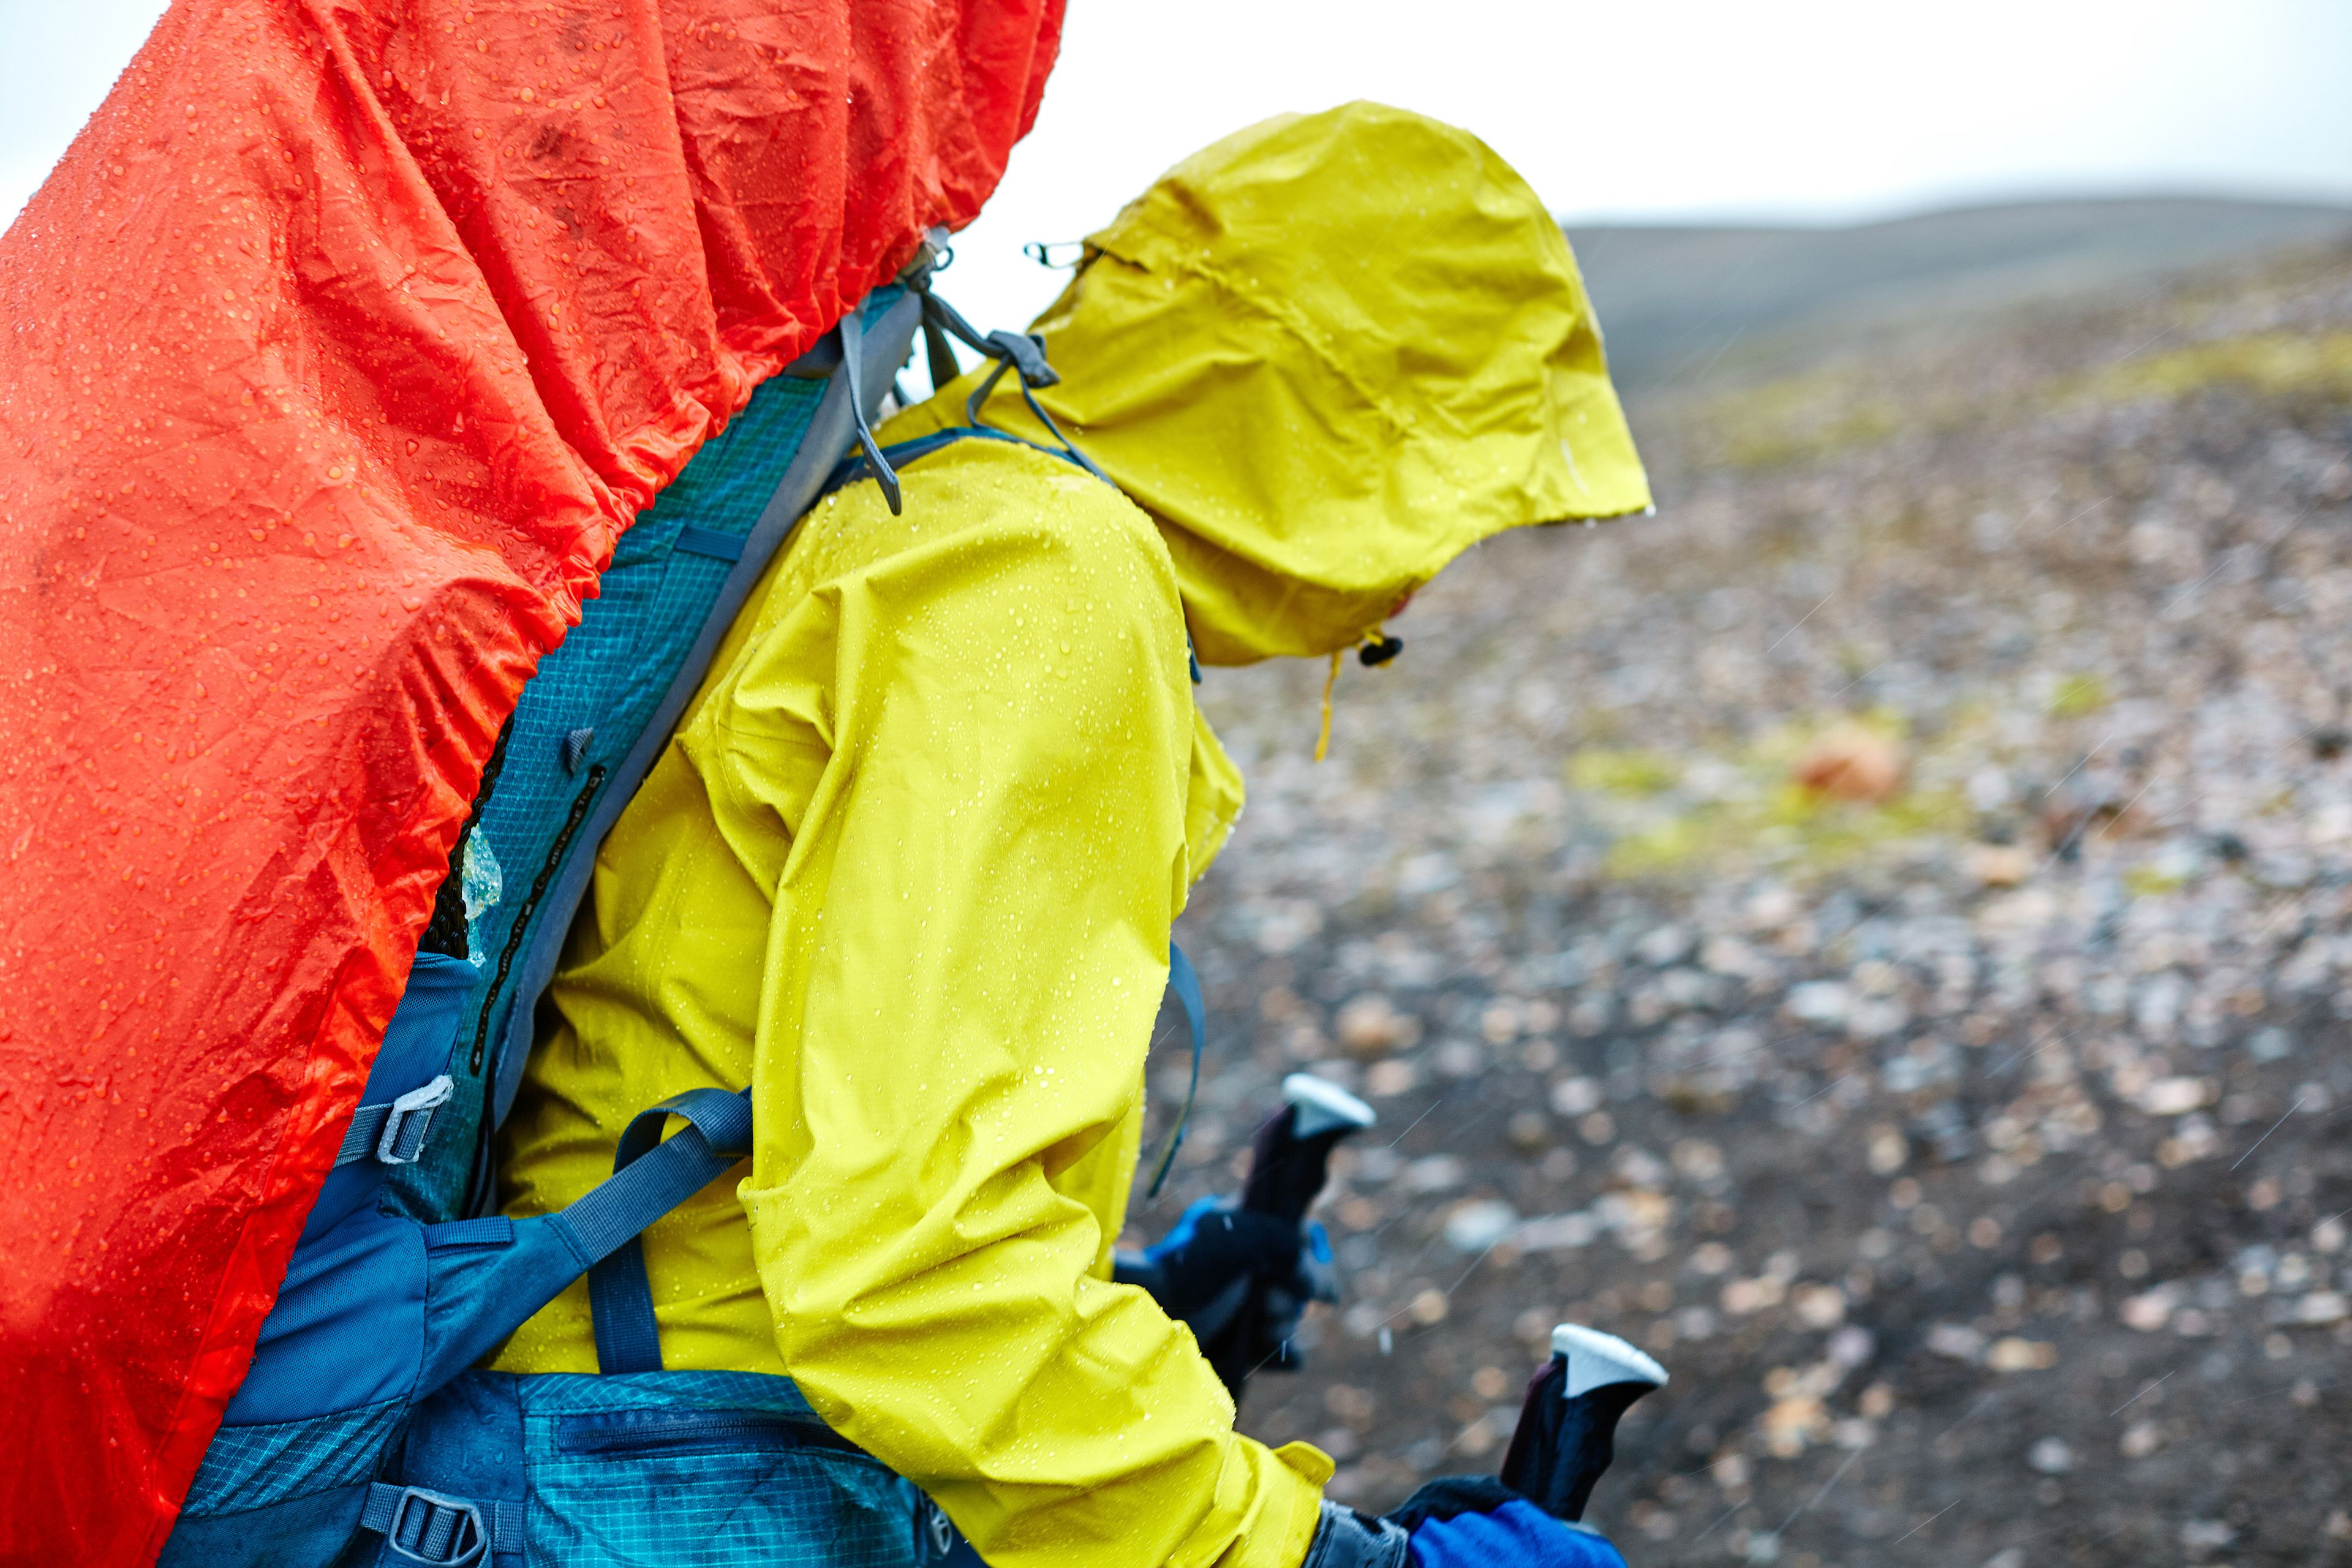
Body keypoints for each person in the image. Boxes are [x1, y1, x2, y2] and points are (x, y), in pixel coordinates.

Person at [491, 100, 1650, 1567]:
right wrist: (1314, 1556)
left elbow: (778, 1087)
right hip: (693, 1476)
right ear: (1328, 426)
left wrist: (1135, 1304)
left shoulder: (925, 494)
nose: (1428, 570)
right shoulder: (1045, 583)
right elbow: (909, 1269)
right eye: (1447, 489)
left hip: (633, 1408)